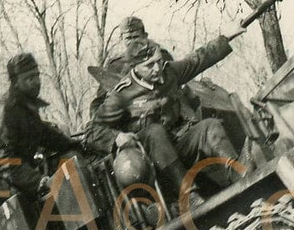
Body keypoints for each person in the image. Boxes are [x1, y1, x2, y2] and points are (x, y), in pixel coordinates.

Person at [84, 18, 246, 205]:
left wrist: (227, 36)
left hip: (178, 143)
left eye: (159, 62)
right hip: (152, 164)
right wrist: (117, 138)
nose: (157, 69)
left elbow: (198, 58)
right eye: (149, 65)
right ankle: (190, 196)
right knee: (154, 132)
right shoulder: (122, 95)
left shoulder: (168, 72)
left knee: (210, 126)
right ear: (134, 67)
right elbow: (91, 131)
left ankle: (240, 176)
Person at [0, 52, 80, 230]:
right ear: (15, 82)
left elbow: (44, 134)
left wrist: (74, 144)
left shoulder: (25, 106)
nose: (36, 82)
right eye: (29, 78)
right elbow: (1, 159)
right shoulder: (6, 110)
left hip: (8, 185)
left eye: (37, 76)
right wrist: (37, 181)